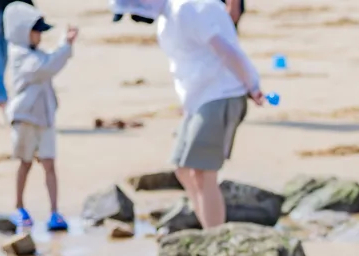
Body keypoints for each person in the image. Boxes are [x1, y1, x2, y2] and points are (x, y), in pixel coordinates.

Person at [110, 0, 264, 229]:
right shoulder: (168, 16)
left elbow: (225, 49)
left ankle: (215, 238)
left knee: (202, 172)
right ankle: (208, 229)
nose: (136, 19)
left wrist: (252, 85)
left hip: (221, 94)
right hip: (199, 100)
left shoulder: (186, 8)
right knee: (183, 170)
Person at [3, 1, 76, 232]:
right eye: (36, 31)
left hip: (44, 118)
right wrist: (65, 45)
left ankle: (54, 211)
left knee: (49, 164)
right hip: (25, 118)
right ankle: (19, 206)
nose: (40, 37)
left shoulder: (37, 54)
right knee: (24, 163)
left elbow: (48, 63)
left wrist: (64, 45)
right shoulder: (19, 56)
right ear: (23, 32)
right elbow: (45, 68)